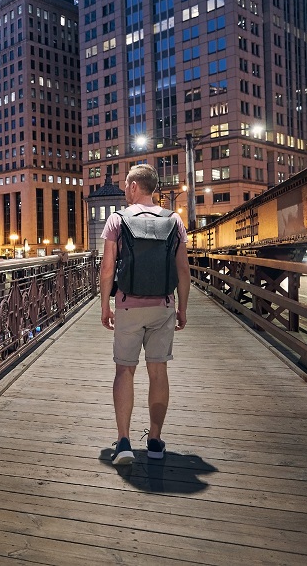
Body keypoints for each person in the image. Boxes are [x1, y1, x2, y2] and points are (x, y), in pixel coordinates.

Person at [100, 164, 191, 464]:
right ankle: (154, 441)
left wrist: (105, 305)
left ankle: (124, 442)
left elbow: (107, 268)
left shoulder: (117, 220)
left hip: (128, 305)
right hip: (162, 306)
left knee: (124, 370)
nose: (125, 190)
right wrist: (182, 308)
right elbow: (183, 271)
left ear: (135, 186)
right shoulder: (175, 221)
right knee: (158, 372)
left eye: (127, 185)